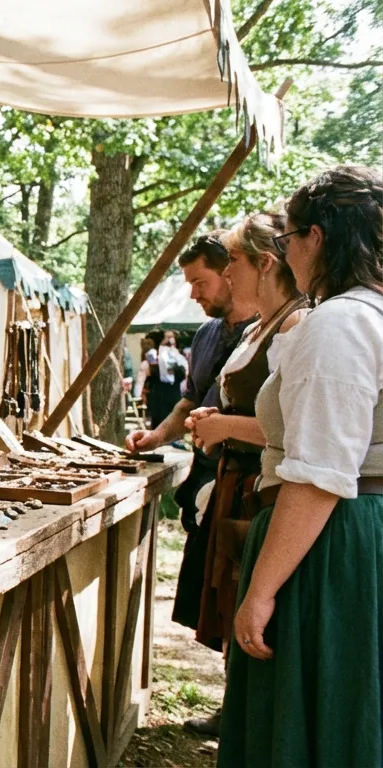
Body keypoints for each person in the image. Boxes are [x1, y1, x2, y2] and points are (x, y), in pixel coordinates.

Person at [219, 166, 383, 766]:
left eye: (288, 238)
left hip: (332, 545)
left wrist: (261, 590)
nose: (285, 252)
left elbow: (320, 473)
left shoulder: (341, 323)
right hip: (353, 535)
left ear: (317, 237)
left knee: (322, 719)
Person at [177, 212, 309, 735]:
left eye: (232, 261)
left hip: (266, 488)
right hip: (237, 480)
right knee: (234, 600)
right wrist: (216, 420)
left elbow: (297, 426)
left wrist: (227, 423)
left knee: (257, 607)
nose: (226, 274)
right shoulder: (262, 325)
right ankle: (241, 712)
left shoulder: (300, 323)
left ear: (266, 262)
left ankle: (258, 722)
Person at [123, 233, 259, 697]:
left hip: (258, 485)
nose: (193, 294)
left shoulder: (272, 327)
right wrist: (157, 436)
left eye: (200, 282)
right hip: (213, 478)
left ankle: (242, 708)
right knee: (220, 595)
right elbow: (189, 402)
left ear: (230, 272)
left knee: (248, 595)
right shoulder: (204, 335)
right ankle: (231, 704)